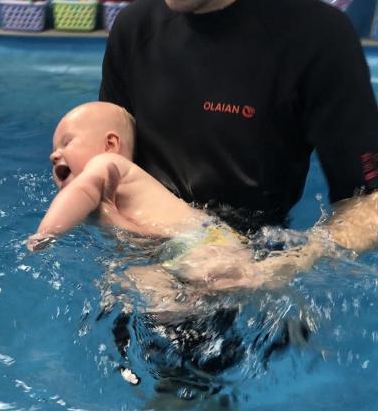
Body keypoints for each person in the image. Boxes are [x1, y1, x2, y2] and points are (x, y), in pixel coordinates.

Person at [99, 0, 378, 288]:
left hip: (248, 289)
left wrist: (271, 272)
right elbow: (105, 167)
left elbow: (372, 210)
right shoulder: (133, 29)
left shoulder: (319, 38)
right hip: (142, 279)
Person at [26, 101, 254, 297]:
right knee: (139, 286)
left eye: (66, 142)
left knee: (224, 278)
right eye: (54, 149)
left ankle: (263, 273)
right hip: (174, 250)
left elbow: (81, 192)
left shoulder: (107, 164)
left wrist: (46, 233)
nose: (53, 155)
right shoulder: (105, 198)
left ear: (110, 145)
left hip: (200, 242)